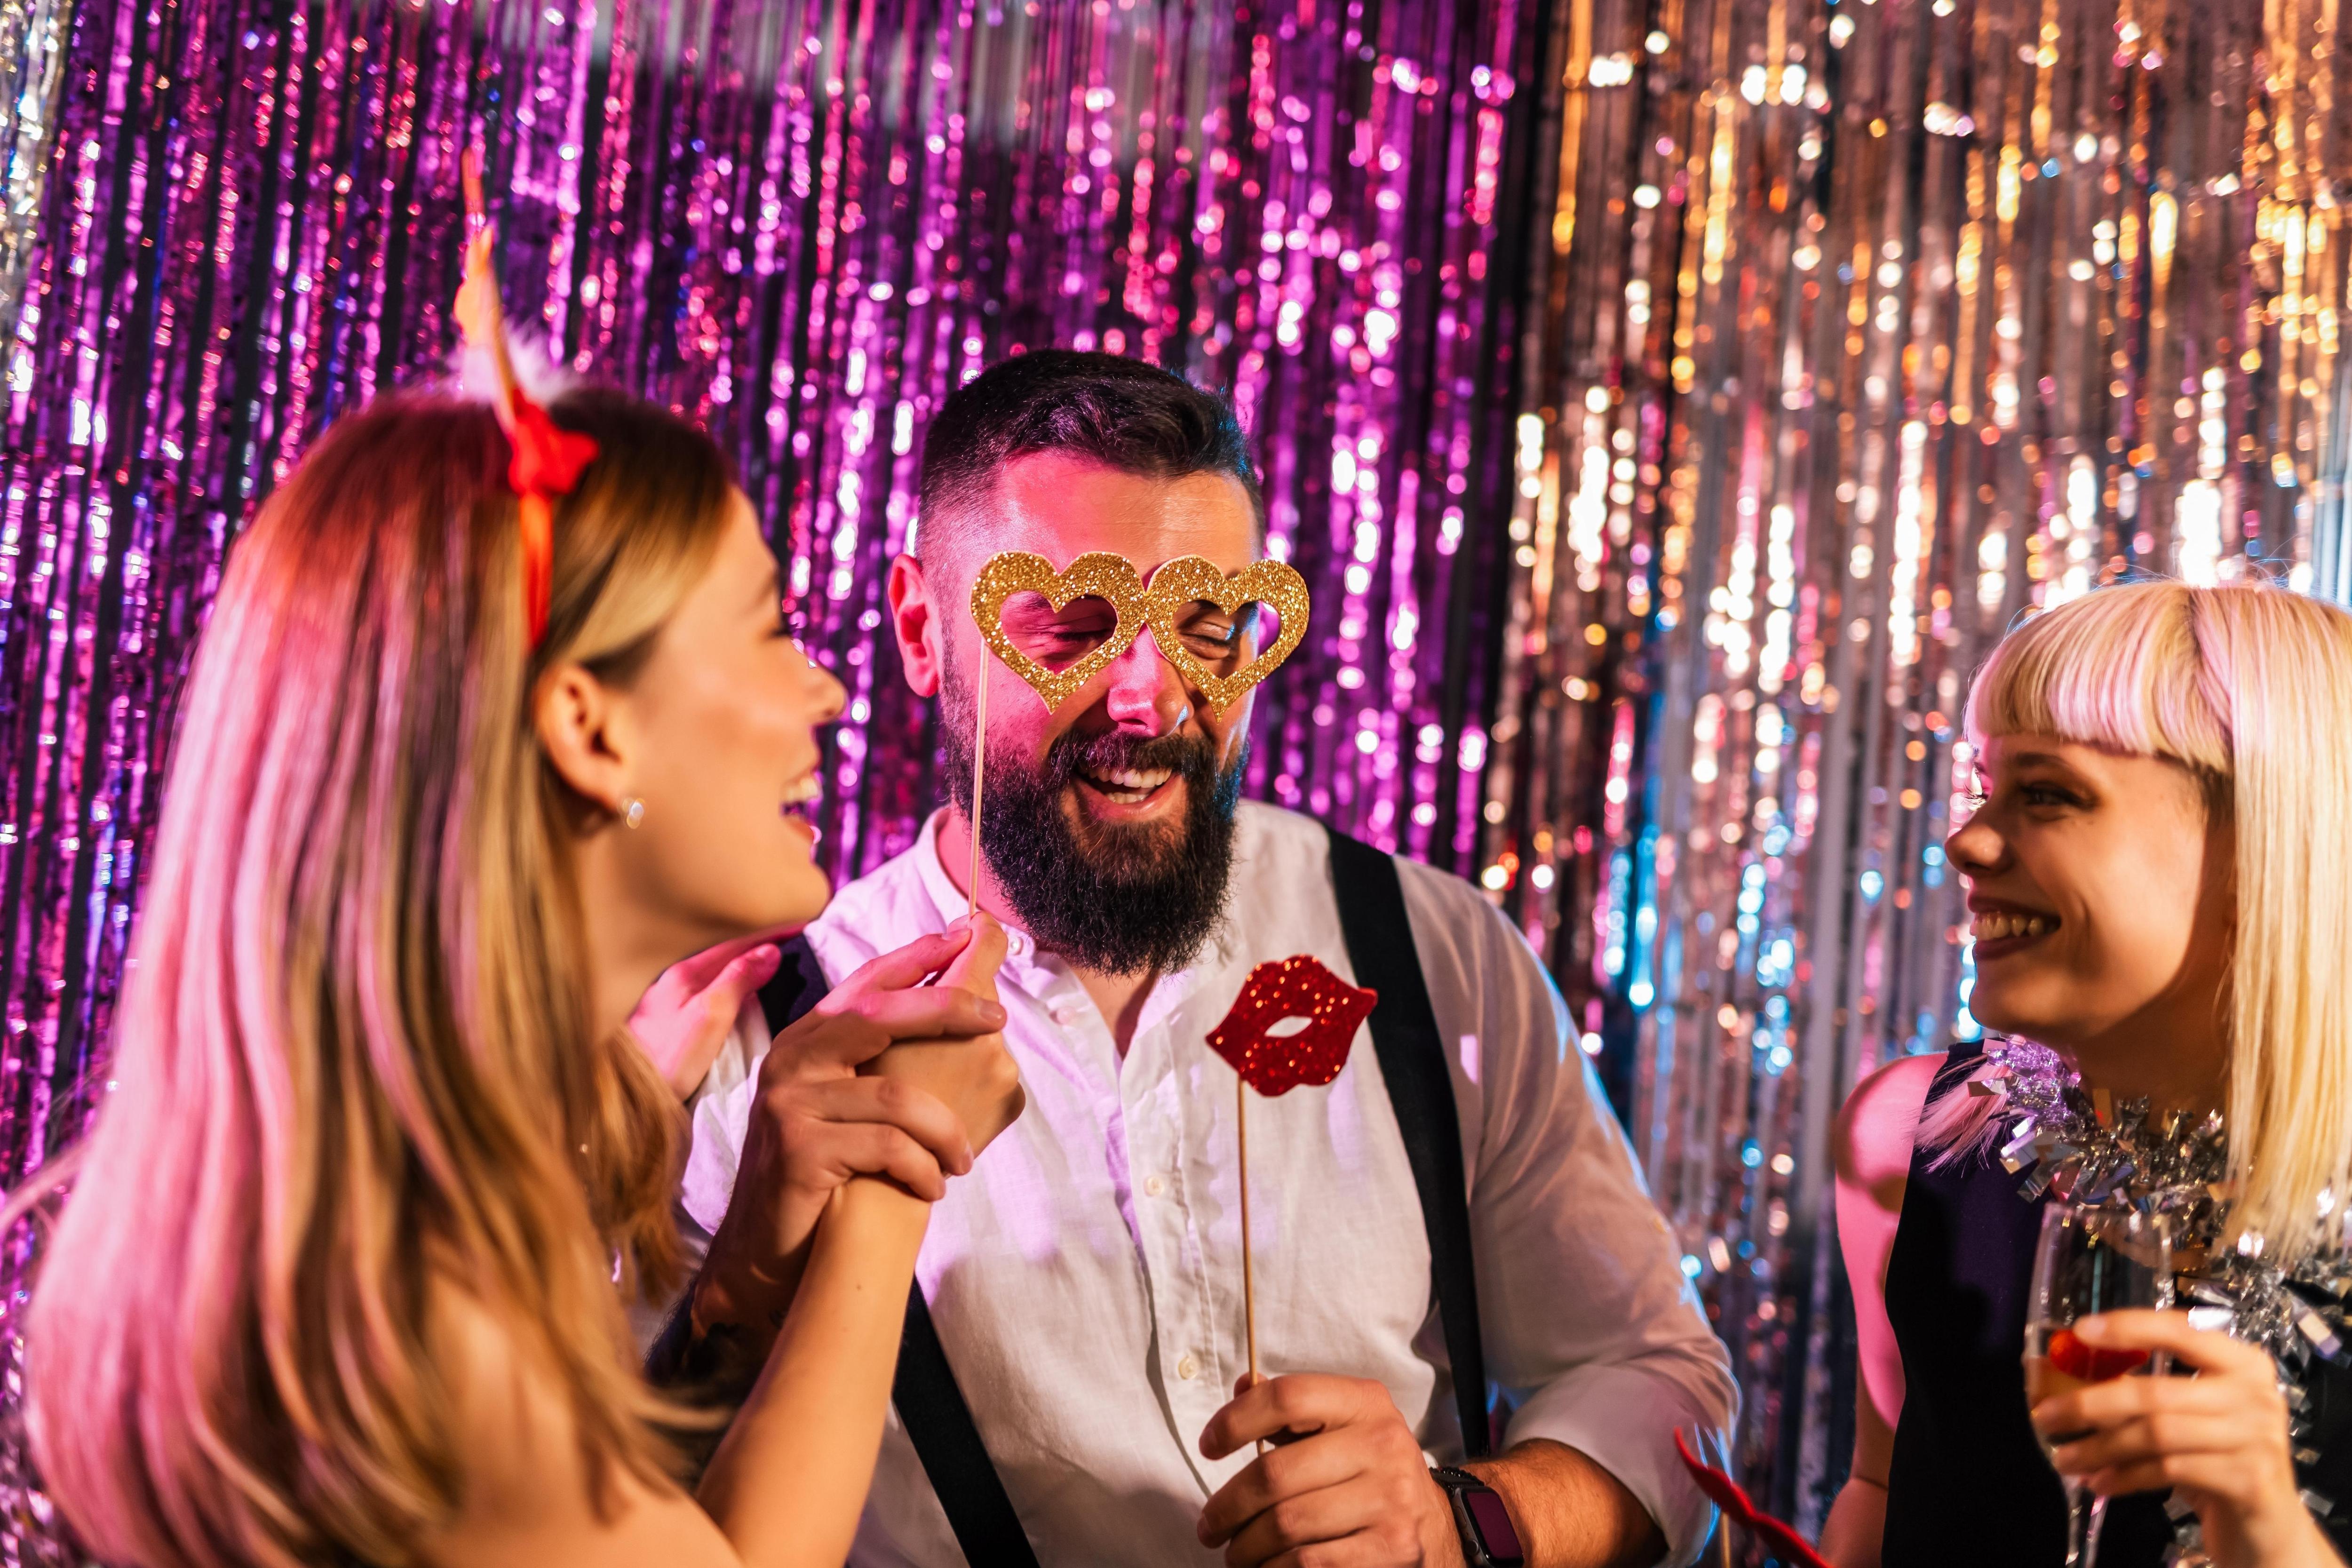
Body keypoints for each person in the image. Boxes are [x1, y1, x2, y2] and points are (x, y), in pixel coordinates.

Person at [651, 350, 1736, 1568]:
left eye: (1209, 626)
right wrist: (741, 1280)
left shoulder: (1434, 953)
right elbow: (619, 1506)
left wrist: (1469, 1518)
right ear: (921, 628)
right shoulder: (760, 1042)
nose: (1151, 700)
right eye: (1073, 626)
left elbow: (1660, 1378)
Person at [14, 343, 1026, 1563]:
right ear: (590, 731)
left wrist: (643, 1167)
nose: (824, 692)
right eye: (765, 632)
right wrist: (893, 1184)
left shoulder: (367, 1197)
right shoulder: (419, 1320)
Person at [1820, 581, 2352, 1568]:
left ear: (2259, 848)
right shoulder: (1911, 1140)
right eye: (1984, 788)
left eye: (2046, 793)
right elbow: (1878, 1495)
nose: (1966, 841)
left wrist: (2271, 1537)